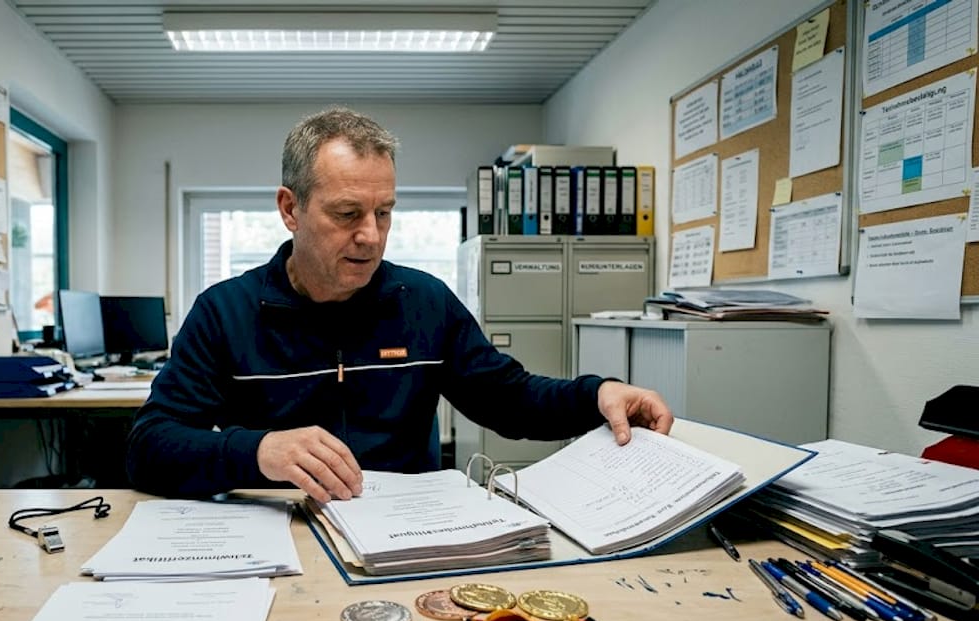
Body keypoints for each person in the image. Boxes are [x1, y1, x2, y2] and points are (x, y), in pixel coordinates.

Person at [125, 107, 672, 502]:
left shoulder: (424, 302)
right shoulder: (224, 312)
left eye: (383, 212)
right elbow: (149, 446)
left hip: (407, 533)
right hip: (281, 534)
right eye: (346, 214)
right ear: (290, 209)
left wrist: (596, 394)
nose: (371, 235)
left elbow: (511, 399)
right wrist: (258, 451)